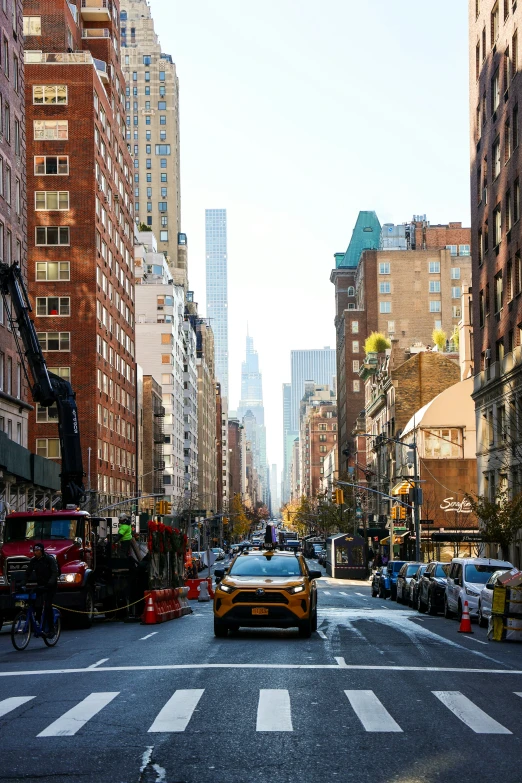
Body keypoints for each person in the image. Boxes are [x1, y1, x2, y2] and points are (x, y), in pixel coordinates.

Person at [25, 543, 58, 636]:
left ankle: (52, 629)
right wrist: (23, 584)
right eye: (34, 551)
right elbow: (28, 573)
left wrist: (51, 582)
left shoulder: (49, 559)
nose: (36, 553)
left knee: (47, 606)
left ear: (42, 551)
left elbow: (54, 572)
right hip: (40, 586)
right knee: (36, 605)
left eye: (38, 551)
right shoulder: (33, 561)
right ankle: (39, 623)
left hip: (50, 586)